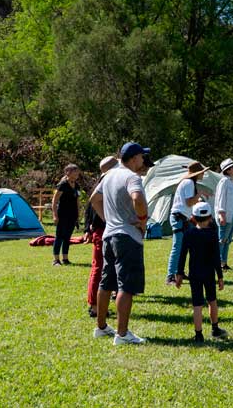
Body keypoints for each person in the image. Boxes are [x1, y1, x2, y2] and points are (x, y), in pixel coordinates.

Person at [90, 142, 151, 345]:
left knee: (106, 282)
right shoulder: (132, 177)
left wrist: (107, 219)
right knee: (126, 285)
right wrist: (142, 220)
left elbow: (94, 199)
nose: (143, 161)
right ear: (133, 158)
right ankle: (122, 334)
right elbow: (138, 198)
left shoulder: (109, 176)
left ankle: (101, 328)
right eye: (142, 157)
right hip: (127, 237)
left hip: (109, 236)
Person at [175, 201, 227, 343]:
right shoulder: (212, 234)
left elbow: (182, 255)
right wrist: (220, 276)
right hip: (209, 273)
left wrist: (179, 273)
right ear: (210, 217)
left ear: (193, 217)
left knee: (197, 304)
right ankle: (215, 329)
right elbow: (217, 257)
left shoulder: (188, 234)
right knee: (212, 300)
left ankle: (198, 335)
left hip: (194, 274)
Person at [166, 161, 210, 285]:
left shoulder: (189, 183)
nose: (203, 174)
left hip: (182, 218)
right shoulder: (189, 183)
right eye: (202, 172)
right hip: (179, 218)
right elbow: (189, 202)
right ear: (197, 174)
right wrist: (200, 195)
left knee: (185, 246)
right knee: (178, 247)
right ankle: (170, 276)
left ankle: (179, 272)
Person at [85, 155, 118, 317]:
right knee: (99, 269)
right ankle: (95, 307)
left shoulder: (100, 184)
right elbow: (92, 207)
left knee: (102, 268)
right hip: (102, 230)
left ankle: (97, 305)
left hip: (101, 230)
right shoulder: (105, 184)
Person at [51, 163, 82, 267]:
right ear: (68, 172)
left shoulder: (77, 185)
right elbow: (54, 201)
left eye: (77, 171)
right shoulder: (63, 185)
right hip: (62, 214)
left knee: (67, 237)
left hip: (72, 215)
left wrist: (78, 214)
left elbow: (77, 201)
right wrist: (55, 215)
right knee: (59, 236)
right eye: (75, 171)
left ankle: (65, 258)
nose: (77, 173)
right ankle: (56, 260)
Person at [215, 158, 233, 270]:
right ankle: (216, 263)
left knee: (227, 240)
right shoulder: (224, 181)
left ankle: (223, 263)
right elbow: (220, 199)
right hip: (225, 215)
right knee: (222, 240)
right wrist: (221, 214)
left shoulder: (232, 181)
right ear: (228, 170)